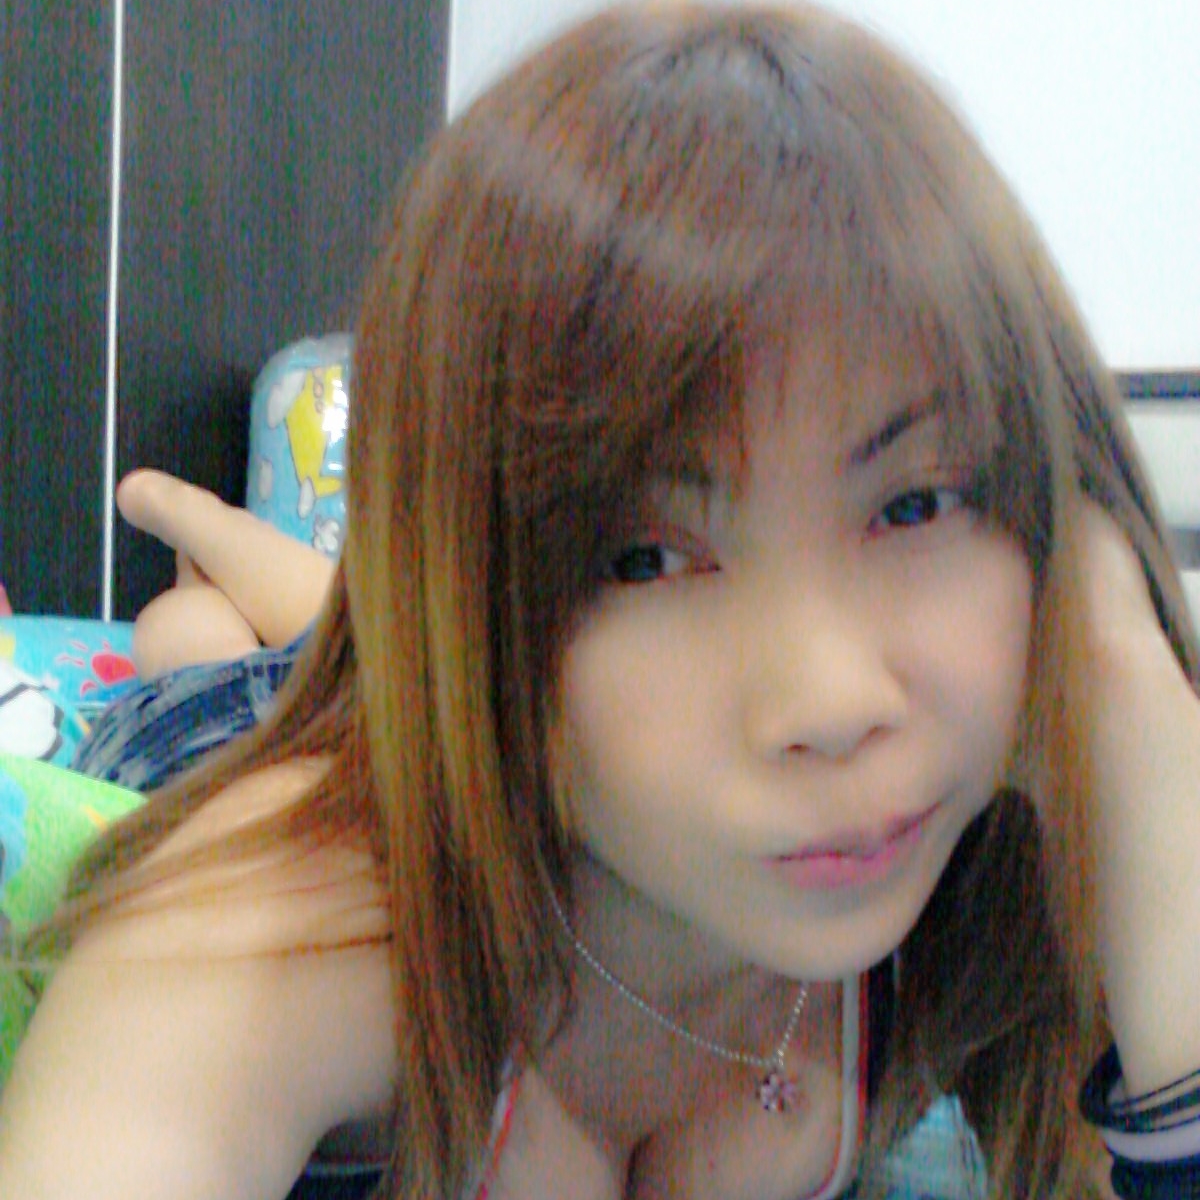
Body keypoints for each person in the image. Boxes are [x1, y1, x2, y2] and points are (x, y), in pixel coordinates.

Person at [1, 4, 1198, 1198]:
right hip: (258, 736)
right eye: (643, 560)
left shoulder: (993, 869)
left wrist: (1136, 695)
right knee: (192, 648)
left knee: (310, 629)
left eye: (915, 503)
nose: (834, 702)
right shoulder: (291, 932)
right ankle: (186, 522)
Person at [66, 470, 333, 793]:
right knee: (354, 643)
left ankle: (204, 546)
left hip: (230, 749)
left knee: (212, 656)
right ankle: (205, 536)